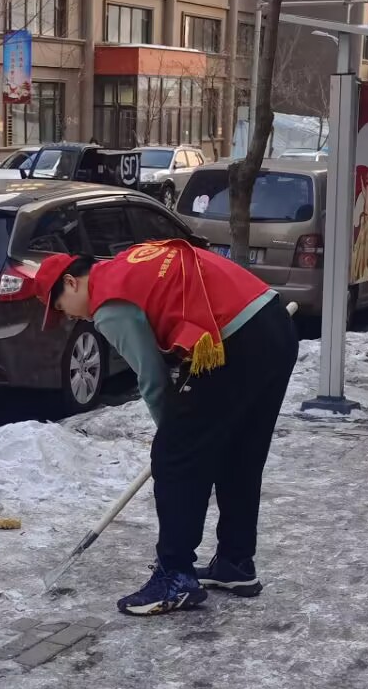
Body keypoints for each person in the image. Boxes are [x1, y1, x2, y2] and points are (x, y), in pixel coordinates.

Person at [28, 239, 299, 616]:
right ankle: (235, 562)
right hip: (273, 325)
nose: (71, 317)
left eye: (61, 307)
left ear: (72, 282)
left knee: (175, 458)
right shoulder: (127, 264)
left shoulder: (109, 304)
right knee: (240, 453)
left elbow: (151, 378)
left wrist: (172, 437)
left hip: (236, 339)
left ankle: (175, 576)